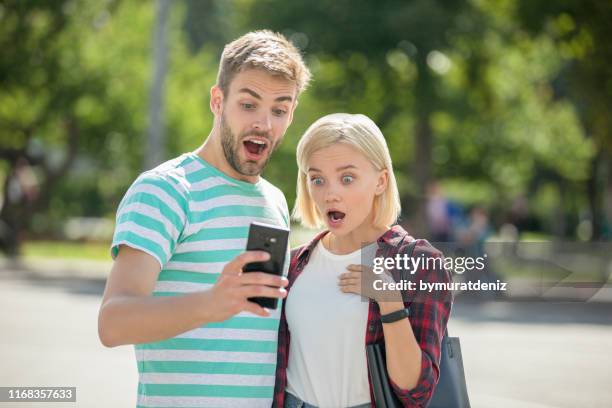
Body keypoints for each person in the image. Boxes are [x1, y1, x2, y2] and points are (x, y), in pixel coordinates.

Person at [98, 30, 311, 408]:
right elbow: (113, 323)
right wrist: (212, 303)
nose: (264, 123)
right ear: (218, 100)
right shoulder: (165, 190)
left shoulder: (275, 201)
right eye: (249, 104)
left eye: (279, 109)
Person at [273, 113, 453, 408]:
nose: (330, 193)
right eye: (317, 179)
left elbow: (416, 392)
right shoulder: (293, 264)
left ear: (381, 181)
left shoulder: (421, 263)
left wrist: (390, 301)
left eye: (347, 178)